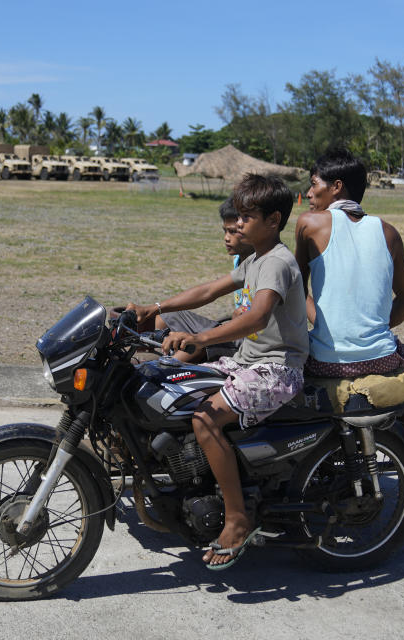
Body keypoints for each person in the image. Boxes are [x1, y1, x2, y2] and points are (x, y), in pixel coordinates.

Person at [128, 173, 308, 569]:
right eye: (238, 217)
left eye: (246, 217)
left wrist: (203, 339)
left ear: (273, 220)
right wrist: (155, 308)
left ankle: (237, 518)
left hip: (277, 370)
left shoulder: (277, 262)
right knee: (167, 381)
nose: (238, 225)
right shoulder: (255, 258)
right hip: (249, 362)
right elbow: (210, 290)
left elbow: (257, 316)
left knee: (204, 420)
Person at [293, 147, 404, 413]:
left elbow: (295, 290)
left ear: (336, 187)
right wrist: (370, 327)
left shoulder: (309, 224)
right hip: (381, 360)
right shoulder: (388, 232)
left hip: (326, 361)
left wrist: (325, 323)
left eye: (314, 185)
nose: (309, 193)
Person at [155, 197, 254, 362]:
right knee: (164, 316)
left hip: (249, 338)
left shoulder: (263, 262)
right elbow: (208, 291)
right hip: (234, 328)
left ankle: (164, 369)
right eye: (225, 231)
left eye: (232, 231)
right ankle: (157, 355)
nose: (226, 238)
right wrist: (156, 308)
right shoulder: (239, 259)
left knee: (193, 344)